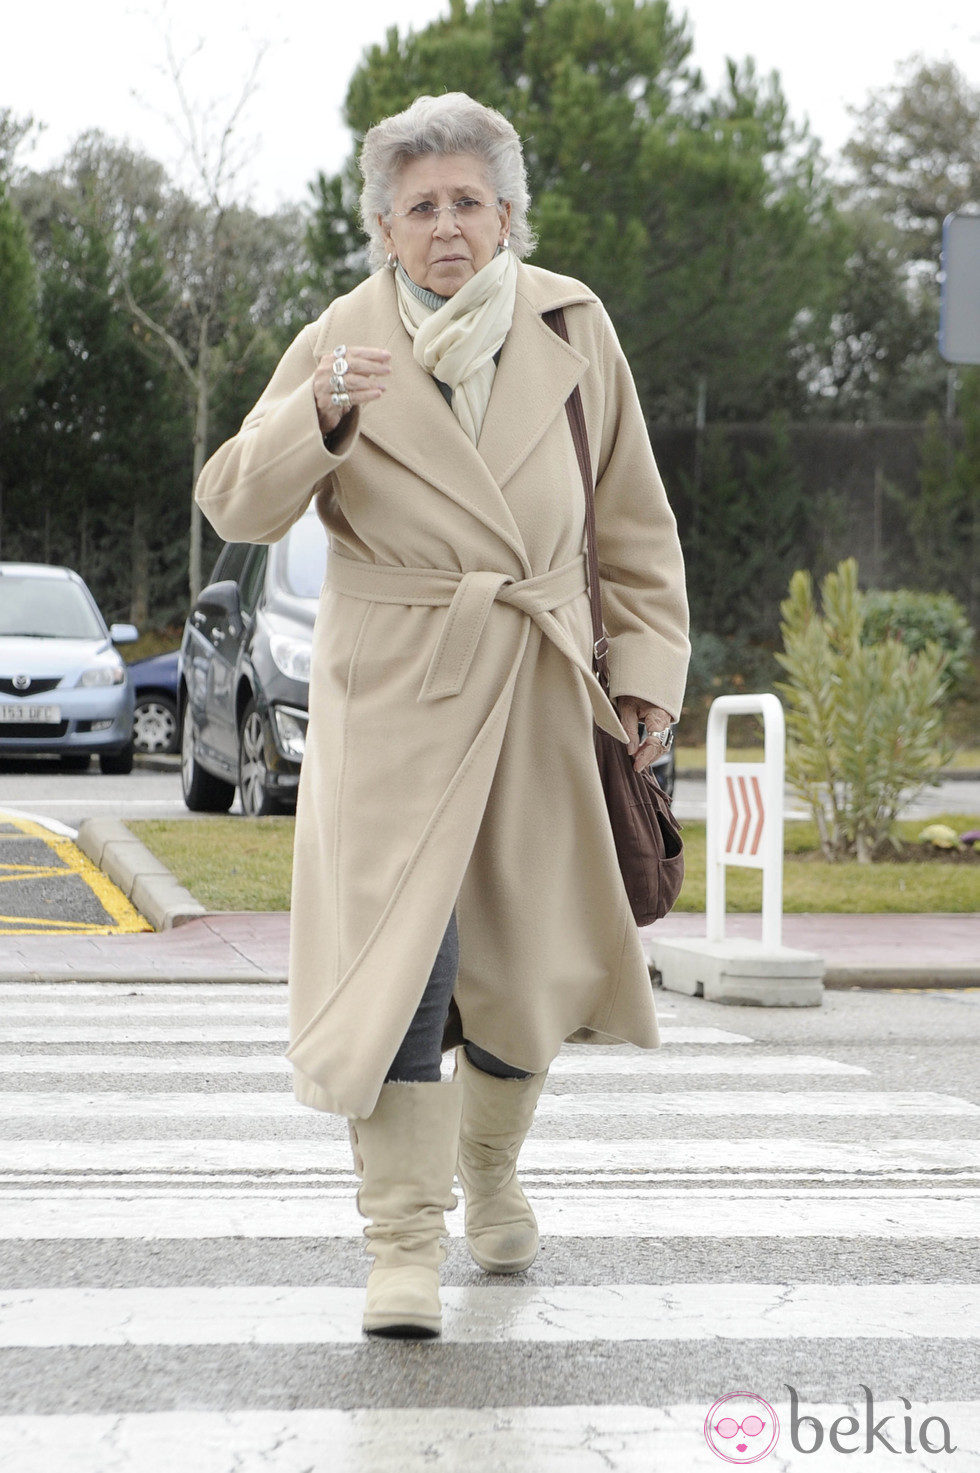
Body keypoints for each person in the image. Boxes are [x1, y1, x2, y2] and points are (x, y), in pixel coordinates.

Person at [195, 92, 689, 1340]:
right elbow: (234, 506)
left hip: (534, 679)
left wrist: (642, 686)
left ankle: (492, 1175)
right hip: (395, 693)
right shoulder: (337, 340)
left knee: (527, 966)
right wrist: (318, 416)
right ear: (382, 228)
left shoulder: (574, 324)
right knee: (401, 973)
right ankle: (400, 1247)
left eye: (468, 201)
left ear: (508, 212)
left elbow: (632, 527)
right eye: (420, 208)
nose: (446, 226)